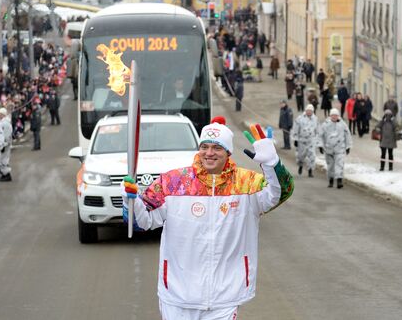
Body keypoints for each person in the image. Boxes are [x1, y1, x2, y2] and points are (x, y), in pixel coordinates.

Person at [121, 117, 294, 320]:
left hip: (225, 295)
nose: (209, 153)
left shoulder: (247, 183)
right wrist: (130, 201)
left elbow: (281, 193)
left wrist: (273, 165)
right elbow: (141, 222)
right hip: (178, 295)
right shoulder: (173, 182)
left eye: (217, 148)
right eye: (204, 146)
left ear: (228, 153)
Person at [318, 108, 352, 188]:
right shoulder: (325, 124)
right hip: (328, 149)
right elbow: (320, 135)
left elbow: (347, 135)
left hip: (340, 148)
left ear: (338, 116)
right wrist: (320, 145)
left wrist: (348, 146)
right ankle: (331, 180)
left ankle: (339, 180)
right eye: (333, 115)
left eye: (336, 115)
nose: (334, 117)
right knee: (330, 166)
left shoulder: (342, 124)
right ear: (330, 116)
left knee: (339, 165)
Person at [292, 104, 319, 177]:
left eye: (311, 111)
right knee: (300, 156)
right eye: (308, 110)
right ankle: (300, 165)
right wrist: (295, 139)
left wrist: (318, 141)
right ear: (305, 111)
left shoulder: (315, 119)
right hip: (302, 140)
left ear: (313, 111)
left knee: (312, 156)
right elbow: (295, 129)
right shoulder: (300, 119)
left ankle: (310, 171)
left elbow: (317, 130)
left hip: (311, 140)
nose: (309, 112)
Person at [0, 108, 13, 181]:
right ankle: (5, 174)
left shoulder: (5, 123)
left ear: (3, 114)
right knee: (2, 159)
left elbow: (6, 135)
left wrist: (3, 145)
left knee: (3, 160)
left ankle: (7, 175)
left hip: (5, 145)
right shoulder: (3, 122)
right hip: (3, 144)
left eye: (0, 113)